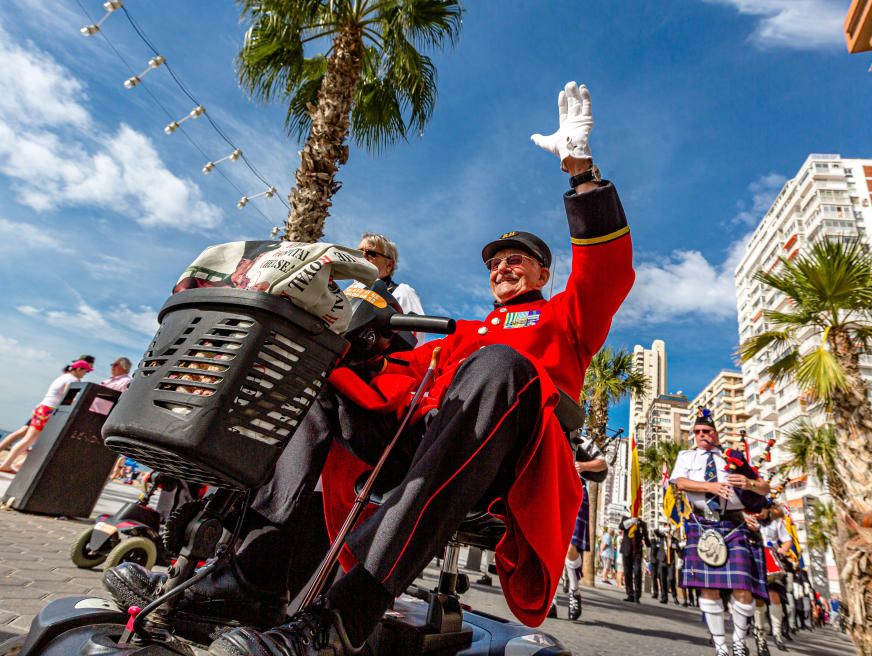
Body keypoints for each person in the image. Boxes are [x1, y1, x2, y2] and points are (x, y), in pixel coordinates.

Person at [106, 81, 634, 656]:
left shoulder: (565, 317)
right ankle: (251, 579)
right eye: (496, 263)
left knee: (500, 366)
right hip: (425, 439)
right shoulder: (459, 330)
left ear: (540, 276)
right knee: (326, 381)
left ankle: (344, 617)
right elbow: (398, 374)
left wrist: (582, 173)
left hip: (509, 453)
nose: (503, 268)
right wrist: (360, 346)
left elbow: (605, 272)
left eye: (518, 261)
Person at [673, 409, 771, 656]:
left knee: (742, 588)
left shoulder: (732, 458)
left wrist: (748, 483)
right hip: (702, 523)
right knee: (708, 588)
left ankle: (739, 641)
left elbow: (764, 488)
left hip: (732, 523)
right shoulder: (686, 456)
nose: (701, 435)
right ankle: (720, 647)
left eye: (706, 431)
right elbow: (681, 483)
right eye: (697, 432)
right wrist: (711, 486)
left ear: (716, 433)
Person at [0, 359, 93, 473]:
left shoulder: (63, 376)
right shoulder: (72, 379)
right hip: (49, 410)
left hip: (42, 408)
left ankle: (16, 464)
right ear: (79, 369)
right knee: (32, 440)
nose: (85, 374)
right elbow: (67, 398)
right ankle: (8, 464)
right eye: (86, 371)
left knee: (35, 440)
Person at [564, 442, 608, 620]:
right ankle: (550, 601)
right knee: (551, 547)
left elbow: (602, 464)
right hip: (551, 487)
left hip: (576, 490)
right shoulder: (554, 432)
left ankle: (574, 591)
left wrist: (581, 466)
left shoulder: (584, 441)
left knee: (570, 547)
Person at [752, 505, 793, 652]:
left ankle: (777, 634)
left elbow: (787, 540)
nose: (758, 512)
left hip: (772, 560)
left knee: (775, 596)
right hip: (755, 558)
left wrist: (783, 549)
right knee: (759, 598)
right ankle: (760, 634)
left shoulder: (776, 521)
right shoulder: (748, 517)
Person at [618, 514, 650, 603]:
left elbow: (646, 538)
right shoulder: (626, 519)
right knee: (627, 572)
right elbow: (620, 526)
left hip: (637, 551)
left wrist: (651, 546)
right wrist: (631, 521)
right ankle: (630, 594)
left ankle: (637, 595)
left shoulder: (642, 523)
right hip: (627, 549)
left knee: (637, 571)